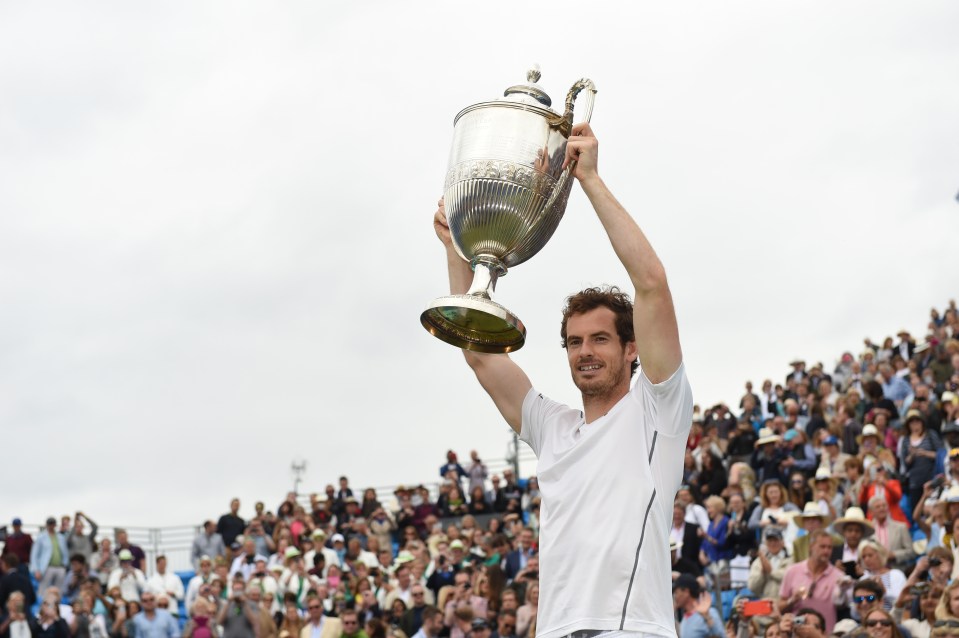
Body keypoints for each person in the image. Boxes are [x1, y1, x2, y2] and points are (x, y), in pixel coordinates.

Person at [432, 122, 693, 638]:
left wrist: (590, 180)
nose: (586, 352)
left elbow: (652, 284)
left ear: (631, 348)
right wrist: (456, 251)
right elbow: (481, 357)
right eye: (575, 342)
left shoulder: (656, 411)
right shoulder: (552, 427)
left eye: (599, 339)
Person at [780, 530, 846, 632]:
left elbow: (841, 605)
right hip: (796, 634)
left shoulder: (839, 576)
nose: (826, 551)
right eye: (822, 546)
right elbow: (780, 606)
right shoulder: (792, 571)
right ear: (811, 547)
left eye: (829, 547)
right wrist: (792, 600)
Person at [30, 517, 68, 599]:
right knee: (43, 590)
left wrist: (65, 565)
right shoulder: (41, 537)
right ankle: (41, 608)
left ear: (55, 525)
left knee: (59, 591)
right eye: (49, 524)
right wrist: (36, 570)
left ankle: (58, 608)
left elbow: (65, 552)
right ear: (47, 525)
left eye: (53, 524)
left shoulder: (61, 537)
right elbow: (35, 554)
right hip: (46, 567)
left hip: (60, 567)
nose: (51, 526)